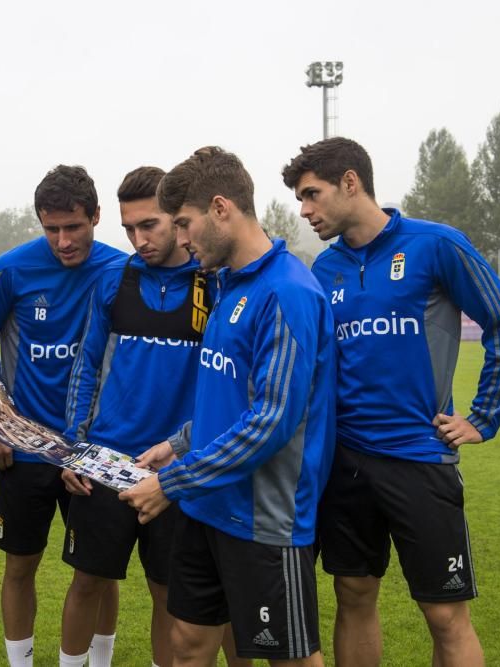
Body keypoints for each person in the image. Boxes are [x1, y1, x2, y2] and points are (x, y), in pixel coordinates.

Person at [281, 137, 500, 667]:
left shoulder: (436, 245)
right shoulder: (324, 271)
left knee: (444, 615)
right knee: (353, 595)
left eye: (311, 194)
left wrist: (483, 417)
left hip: (419, 458)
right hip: (344, 464)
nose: (305, 211)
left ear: (351, 182)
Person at [120, 146, 335, 667]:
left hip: (264, 519)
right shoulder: (225, 285)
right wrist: (175, 446)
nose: (181, 239)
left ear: (221, 208)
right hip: (206, 507)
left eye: (186, 224)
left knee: (289, 657)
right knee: (189, 644)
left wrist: (171, 483)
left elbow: (270, 423)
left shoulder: (286, 291)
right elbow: (229, 401)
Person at [0, 165, 125, 666]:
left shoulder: (121, 270)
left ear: (96, 216)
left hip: (95, 447)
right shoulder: (10, 268)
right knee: (20, 564)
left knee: (98, 571)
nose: (62, 240)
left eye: (73, 227)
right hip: (26, 446)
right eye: (50, 228)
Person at [57, 166, 209, 667]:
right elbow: (84, 372)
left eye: (150, 226)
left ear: (178, 218)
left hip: (175, 470)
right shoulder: (112, 281)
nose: (138, 239)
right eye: (128, 229)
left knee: (169, 593)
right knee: (87, 583)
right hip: (105, 462)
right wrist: (73, 450)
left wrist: (184, 449)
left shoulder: (213, 284)